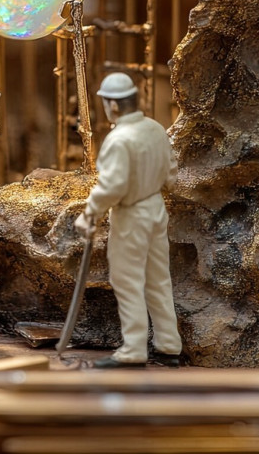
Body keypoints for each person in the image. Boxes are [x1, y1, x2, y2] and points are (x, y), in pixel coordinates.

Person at [75, 72, 182, 368]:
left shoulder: (118, 139)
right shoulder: (156, 129)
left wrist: (90, 213)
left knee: (127, 279)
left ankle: (134, 348)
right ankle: (169, 344)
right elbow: (172, 174)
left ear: (112, 105)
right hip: (156, 208)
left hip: (132, 213)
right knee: (158, 278)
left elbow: (112, 186)